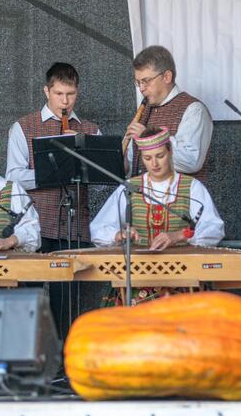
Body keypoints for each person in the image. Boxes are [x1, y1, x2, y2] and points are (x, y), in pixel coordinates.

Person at [91, 127, 224, 305]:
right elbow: (98, 228)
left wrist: (179, 236)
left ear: (170, 151)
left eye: (160, 156)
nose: (154, 163)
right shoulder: (130, 187)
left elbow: (214, 228)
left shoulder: (192, 187)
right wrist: (119, 235)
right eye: (148, 158)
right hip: (137, 281)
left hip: (183, 280)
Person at [5, 62, 101, 249]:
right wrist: (54, 172)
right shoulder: (23, 127)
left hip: (77, 230)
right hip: (35, 228)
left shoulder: (92, 130)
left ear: (77, 92)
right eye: (58, 94)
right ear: (47, 91)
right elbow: (13, 178)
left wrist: (85, 148)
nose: (65, 101)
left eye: (70, 94)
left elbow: (100, 183)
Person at [124, 45, 213, 181]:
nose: (141, 88)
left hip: (179, 199)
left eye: (146, 81)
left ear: (166, 76)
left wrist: (148, 137)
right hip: (142, 197)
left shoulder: (194, 110)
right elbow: (132, 164)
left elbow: (192, 161)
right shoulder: (144, 110)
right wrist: (121, 160)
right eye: (138, 82)